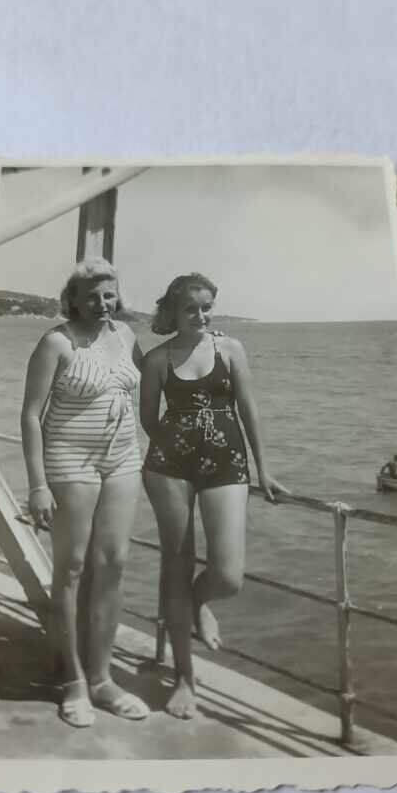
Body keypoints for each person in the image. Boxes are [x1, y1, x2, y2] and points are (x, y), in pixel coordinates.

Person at [140, 272, 288, 720]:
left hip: (227, 462)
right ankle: (185, 677)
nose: (201, 316)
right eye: (191, 308)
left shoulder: (231, 350)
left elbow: (248, 409)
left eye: (207, 307)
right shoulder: (158, 359)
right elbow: (148, 418)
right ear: (173, 311)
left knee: (227, 575)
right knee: (177, 564)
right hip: (169, 467)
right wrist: (177, 446)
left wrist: (263, 470)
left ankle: (199, 602)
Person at [20, 258, 149, 728]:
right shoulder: (56, 342)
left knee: (113, 563)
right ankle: (73, 681)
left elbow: (155, 383)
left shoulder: (127, 336)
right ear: (72, 299)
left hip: (123, 459)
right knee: (72, 568)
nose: (102, 303)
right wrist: (37, 485)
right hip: (69, 460)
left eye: (109, 294)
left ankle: (102, 679)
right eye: (91, 296)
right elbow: (31, 415)